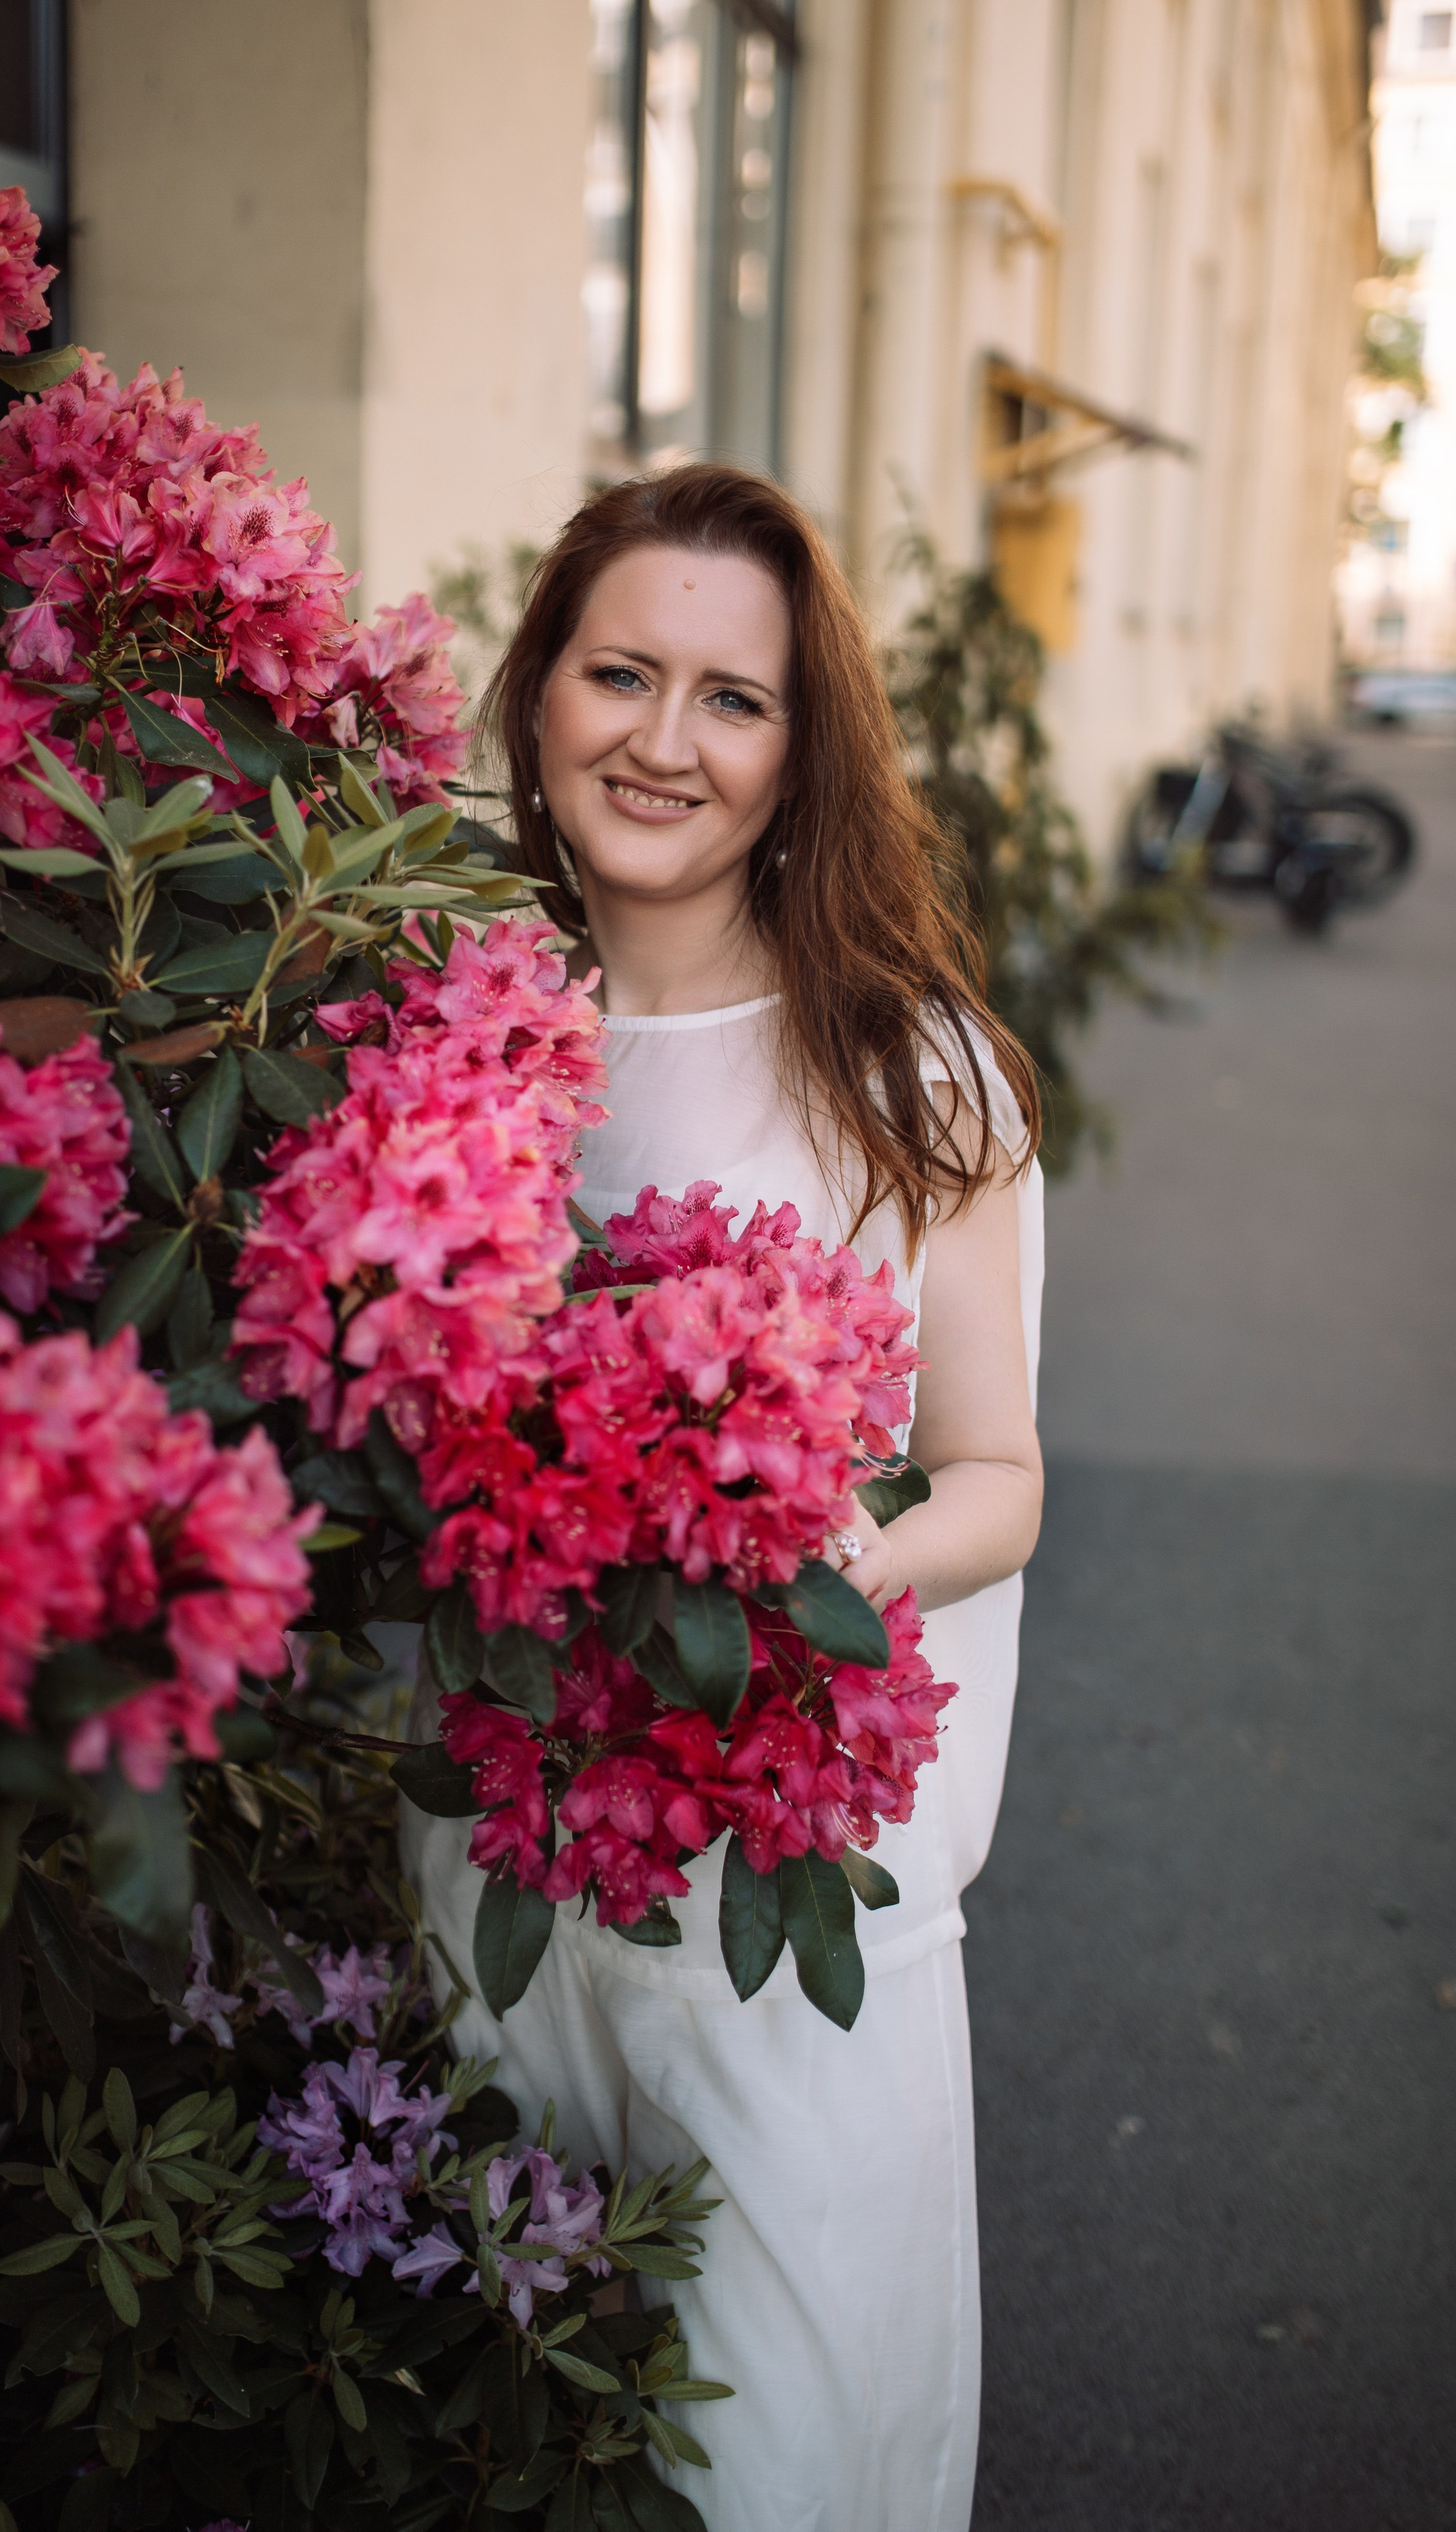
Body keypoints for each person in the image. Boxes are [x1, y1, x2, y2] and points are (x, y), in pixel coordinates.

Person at [400, 463, 1044, 2532]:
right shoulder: (457, 1038)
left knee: (764, 2462)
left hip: (773, 1917)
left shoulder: (910, 1068)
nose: (663, 742)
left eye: (732, 699)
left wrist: (812, 1583)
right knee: (513, 2432)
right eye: (619, 674)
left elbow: (998, 1480)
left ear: (801, 752)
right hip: (497, 1876)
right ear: (538, 698)